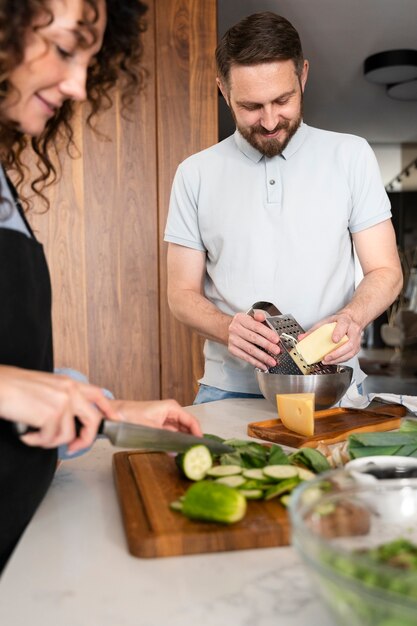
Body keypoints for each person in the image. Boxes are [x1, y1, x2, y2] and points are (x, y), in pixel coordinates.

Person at [0, 0, 201, 572]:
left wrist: (111, 414)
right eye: (65, 49)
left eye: (90, 60)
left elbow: (18, 377)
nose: (80, 86)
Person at [164, 11, 403, 404]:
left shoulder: (351, 155)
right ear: (223, 91)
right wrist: (228, 329)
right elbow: (181, 293)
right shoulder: (194, 174)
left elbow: (385, 270)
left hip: (334, 388)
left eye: (283, 99)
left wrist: (352, 317)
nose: (271, 120)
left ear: (303, 76)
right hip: (229, 390)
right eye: (251, 106)